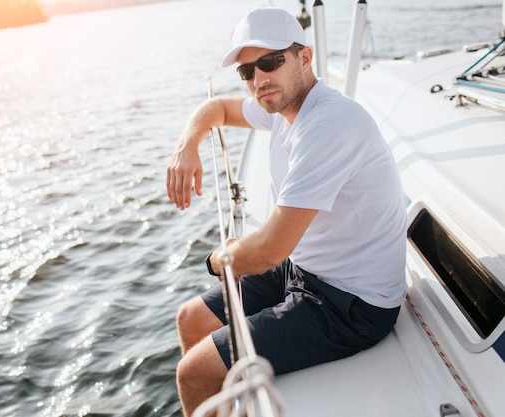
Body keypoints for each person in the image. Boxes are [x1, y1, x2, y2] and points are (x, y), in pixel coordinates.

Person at [165, 7, 407, 416]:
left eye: (270, 62)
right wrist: (187, 144)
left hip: (350, 303)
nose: (259, 80)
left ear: (305, 59)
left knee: (194, 372)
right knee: (191, 319)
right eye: (246, 72)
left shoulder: (328, 124)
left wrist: (219, 259)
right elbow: (216, 110)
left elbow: (269, 250)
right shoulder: (281, 107)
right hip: (305, 270)